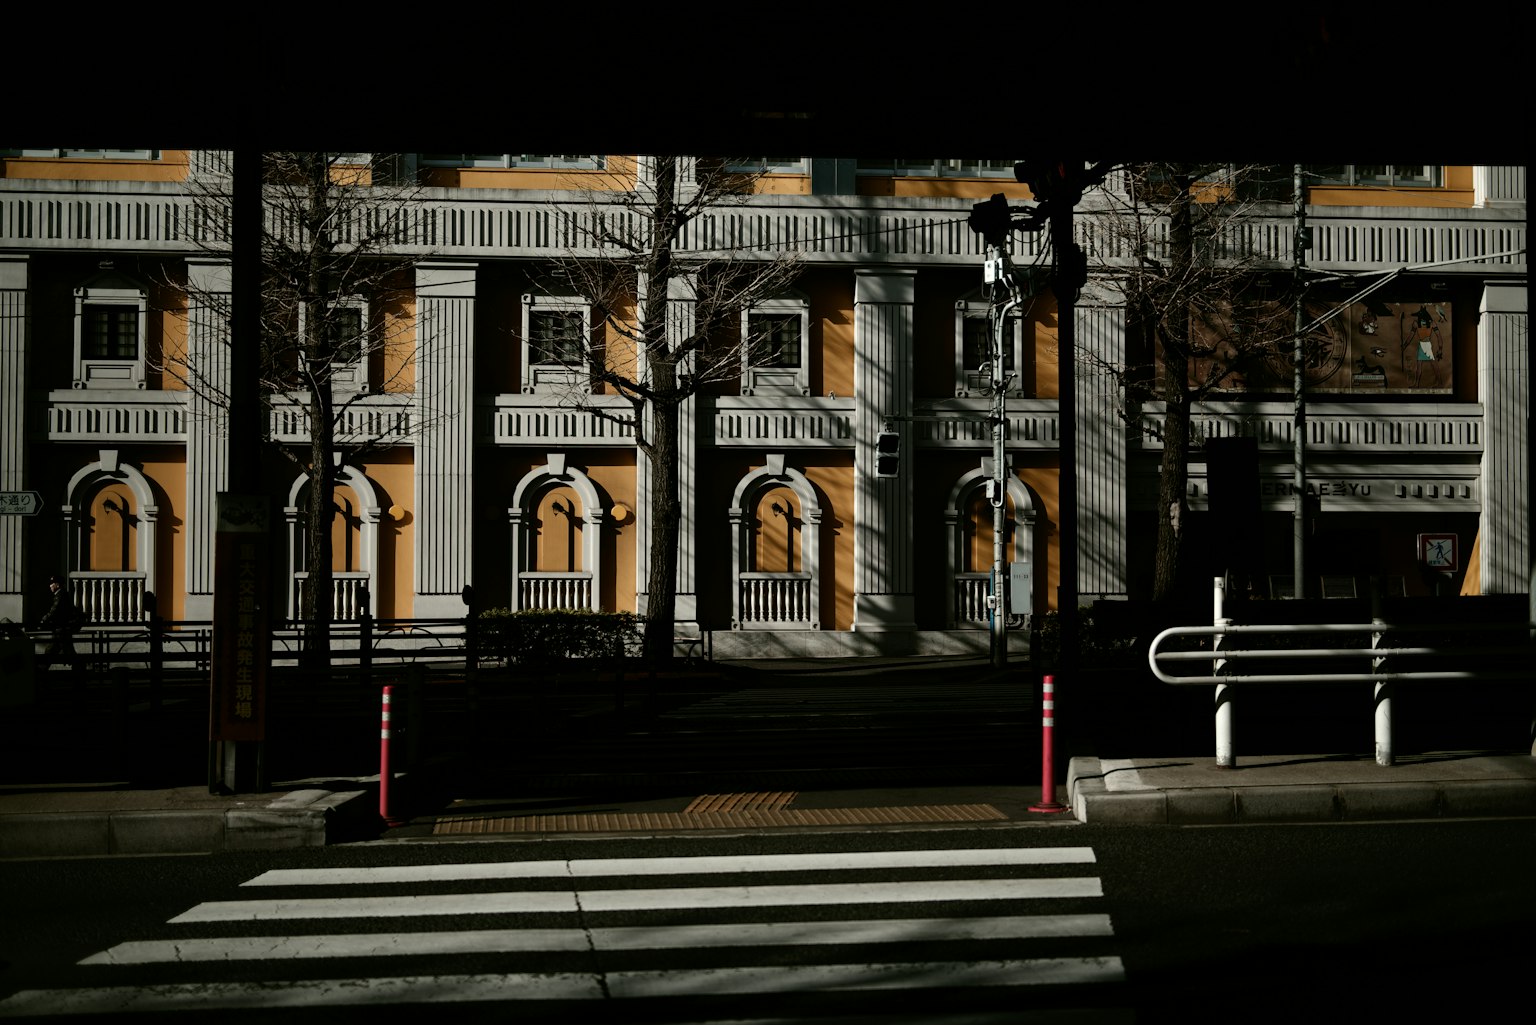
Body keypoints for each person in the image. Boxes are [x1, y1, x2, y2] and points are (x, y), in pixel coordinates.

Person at [37, 575, 80, 671]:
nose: (50, 586)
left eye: (52, 583)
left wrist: (43, 620)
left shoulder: (60, 595)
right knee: (66, 651)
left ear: (57, 585)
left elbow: (54, 611)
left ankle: (41, 671)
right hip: (62, 629)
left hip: (61, 629)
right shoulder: (62, 594)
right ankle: (79, 669)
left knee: (52, 650)